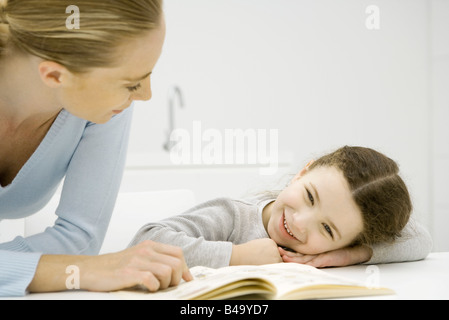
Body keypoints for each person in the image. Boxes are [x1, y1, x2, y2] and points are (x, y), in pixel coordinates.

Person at [0, 0, 192, 297]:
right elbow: (81, 261)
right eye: (131, 84)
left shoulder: (102, 107)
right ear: (54, 75)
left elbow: (80, 240)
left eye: (147, 75)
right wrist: (82, 270)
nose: (147, 95)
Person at [130, 146, 433, 268]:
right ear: (303, 172)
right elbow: (146, 241)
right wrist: (237, 256)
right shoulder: (233, 216)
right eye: (310, 196)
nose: (301, 223)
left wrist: (347, 255)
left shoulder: (336, 250)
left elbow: (420, 239)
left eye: (327, 229)